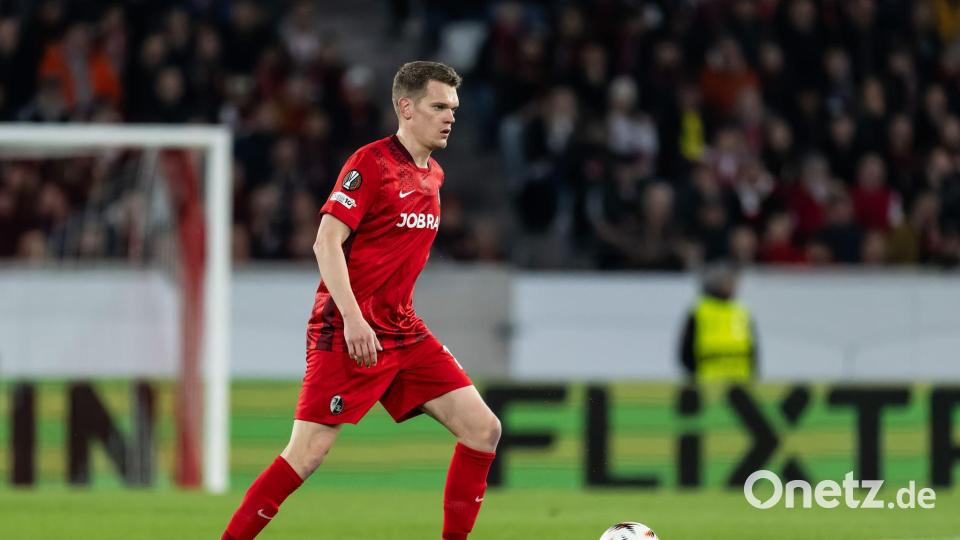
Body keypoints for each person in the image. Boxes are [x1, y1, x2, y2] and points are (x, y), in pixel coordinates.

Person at [221, 61, 501, 540]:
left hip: (402, 329)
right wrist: (353, 319)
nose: (449, 117)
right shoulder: (371, 164)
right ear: (405, 108)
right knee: (307, 454)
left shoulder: (433, 175)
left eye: (453, 108)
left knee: (483, 429)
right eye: (438, 107)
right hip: (347, 329)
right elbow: (325, 242)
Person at [679, 262, 758, 382]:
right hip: (708, 383)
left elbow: (753, 351)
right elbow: (686, 352)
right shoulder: (700, 311)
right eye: (728, 281)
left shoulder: (742, 311)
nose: (733, 285)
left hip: (740, 383)